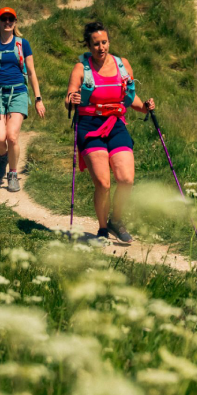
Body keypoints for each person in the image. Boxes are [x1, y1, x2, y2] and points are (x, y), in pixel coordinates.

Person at [65, 21, 155, 244]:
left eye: (104, 42)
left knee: (126, 179)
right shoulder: (81, 69)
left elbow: (128, 97)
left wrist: (144, 107)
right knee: (103, 184)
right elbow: (69, 99)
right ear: (88, 45)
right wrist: (72, 100)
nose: (101, 47)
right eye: (96, 44)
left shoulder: (122, 65)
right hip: (89, 126)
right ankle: (103, 228)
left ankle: (116, 220)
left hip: (116, 124)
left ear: (109, 42)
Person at [0, 7, 45, 193]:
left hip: (18, 93)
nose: (8, 22)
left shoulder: (23, 44)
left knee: (12, 136)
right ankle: (3, 157)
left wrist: (38, 98)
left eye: (11, 19)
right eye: (4, 19)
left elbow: (31, 73)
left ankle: (13, 174)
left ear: (15, 23)